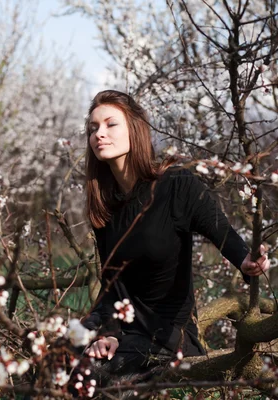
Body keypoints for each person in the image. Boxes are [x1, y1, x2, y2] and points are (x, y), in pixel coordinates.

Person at [79, 90, 270, 385]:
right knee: (55, 359)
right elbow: (111, 291)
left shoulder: (176, 185)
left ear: (135, 130)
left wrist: (246, 260)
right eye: (93, 128)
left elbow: (220, 231)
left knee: (90, 375)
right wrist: (105, 334)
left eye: (110, 124)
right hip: (125, 334)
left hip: (167, 339)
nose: (99, 134)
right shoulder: (106, 206)